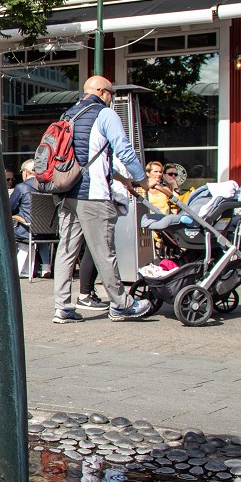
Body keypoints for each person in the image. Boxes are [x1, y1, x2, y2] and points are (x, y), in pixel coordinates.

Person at [52, 76, 152, 324]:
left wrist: (121, 179)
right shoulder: (105, 114)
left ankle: (63, 307)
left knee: (66, 251)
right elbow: (124, 149)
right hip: (94, 196)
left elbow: (87, 158)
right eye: (111, 93)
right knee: (104, 252)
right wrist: (141, 178)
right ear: (100, 92)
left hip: (67, 193)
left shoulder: (68, 114)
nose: (112, 98)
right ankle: (121, 304)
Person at [9, 160, 50, 278]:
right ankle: (45, 266)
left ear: (26, 173)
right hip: (48, 231)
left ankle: (18, 269)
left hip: (26, 230)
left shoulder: (22, 187)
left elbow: (10, 208)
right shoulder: (48, 186)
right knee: (39, 229)